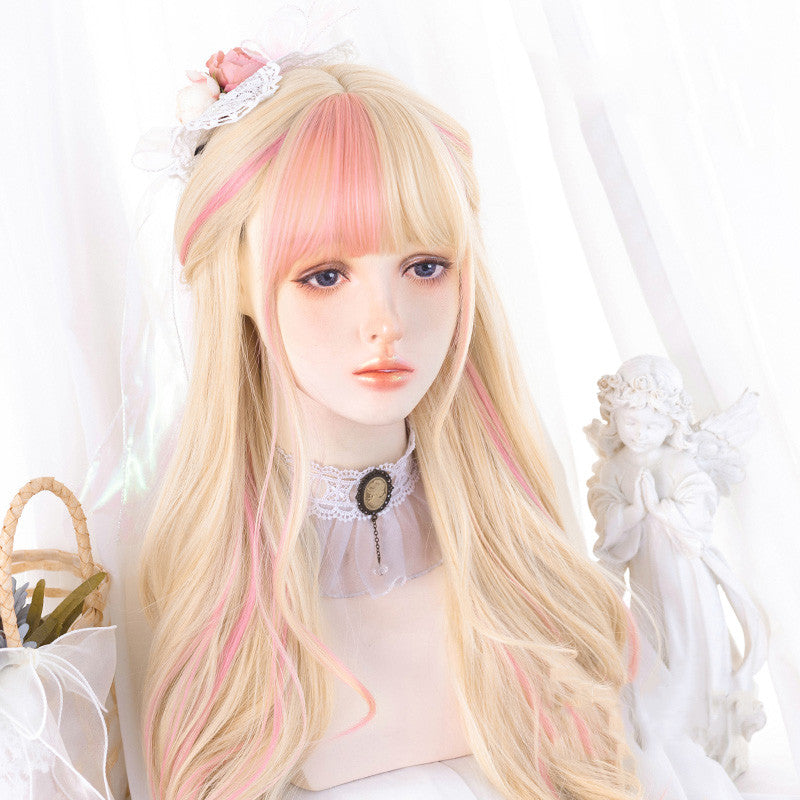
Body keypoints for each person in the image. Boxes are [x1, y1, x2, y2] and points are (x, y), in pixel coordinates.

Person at [135, 52, 641, 800]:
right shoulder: (202, 602)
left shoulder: (525, 568)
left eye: (425, 267)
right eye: (325, 276)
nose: (387, 322)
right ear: (235, 282)